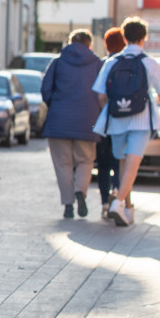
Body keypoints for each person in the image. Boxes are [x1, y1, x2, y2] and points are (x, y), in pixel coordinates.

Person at [92, 17, 160, 227]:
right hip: (141, 121)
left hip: (116, 120)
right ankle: (118, 203)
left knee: (123, 165)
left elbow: (100, 95)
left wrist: (118, 105)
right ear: (144, 38)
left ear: (124, 37)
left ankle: (128, 208)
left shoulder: (112, 62)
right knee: (133, 166)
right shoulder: (149, 63)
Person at [41, 30, 102, 218]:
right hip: (87, 120)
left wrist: (56, 105)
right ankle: (80, 191)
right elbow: (102, 93)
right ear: (89, 45)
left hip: (59, 121)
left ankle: (68, 204)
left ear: (69, 42)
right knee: (85, 160)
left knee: (62, 164)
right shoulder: (98, 64)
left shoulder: (58, 62)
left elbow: (45, 89)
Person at [95, 27, 125, 218]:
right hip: (123, 122)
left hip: (104, 122)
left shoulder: (104, 64)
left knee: (103, 165)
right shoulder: (125, 64)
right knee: (119, 163)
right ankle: (118, 197)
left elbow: (99, 96)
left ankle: (105, 202)